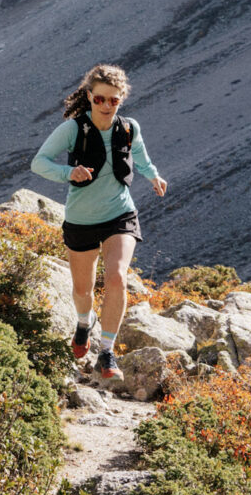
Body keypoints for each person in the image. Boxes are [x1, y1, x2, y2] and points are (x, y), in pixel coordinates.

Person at [30, 63, 166, 380]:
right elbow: (39, 163)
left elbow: (140, 156)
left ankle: (107, 352)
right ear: (90, 96)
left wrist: (154, 176)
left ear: (121, 99)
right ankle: (84, 322)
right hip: (81, 220)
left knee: (117, 277)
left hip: (120, 214)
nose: (106, 105)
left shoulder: (129, 128)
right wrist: (69, 173)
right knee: (83, 289)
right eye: (100, 99)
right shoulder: (73, 129)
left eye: (113, 100)